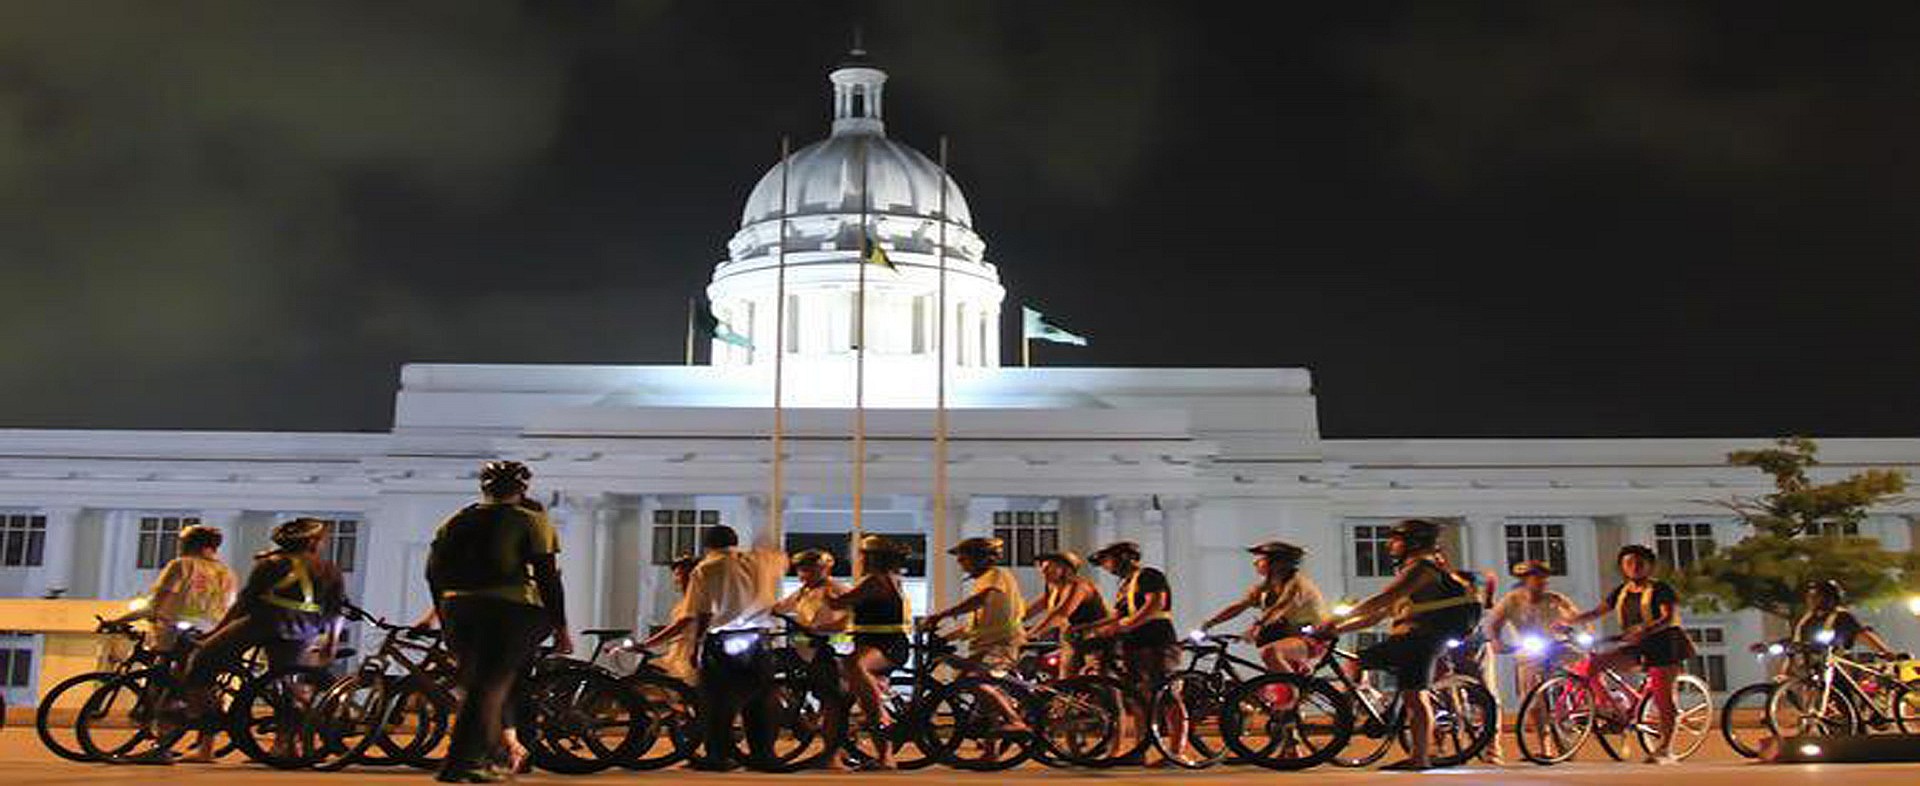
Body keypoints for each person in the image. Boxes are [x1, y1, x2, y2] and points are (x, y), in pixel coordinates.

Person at [426, 460, 572, 783]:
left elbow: (432, 573)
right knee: (491, 687)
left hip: (457, 607)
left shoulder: (454, 521)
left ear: (484, 488)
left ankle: (484, 758)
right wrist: (560, 626)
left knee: (478, 687)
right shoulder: (531, 521)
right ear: (522, 489)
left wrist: (444, 614)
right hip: (509, 610)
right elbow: (547, 578)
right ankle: (462, 763)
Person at [1312, 519, 1481, 771]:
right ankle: (1354, 707)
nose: (1390, 545)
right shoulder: (1411, 571)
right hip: (1406, 639)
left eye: (1396, 540)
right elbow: (1379, 616)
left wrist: (1336, 618)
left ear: (1413, 542)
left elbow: (1383, 599)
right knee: (1359, 660)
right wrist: (1335, 630)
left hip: (1422, 640)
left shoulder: (1422, 570)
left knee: (1415, 696)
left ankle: (1420, 758)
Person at [111, 524, 236, 762]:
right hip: (212, 637)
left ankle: (161, 748)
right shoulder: (227, 572)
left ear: (190, 543)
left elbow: (156, 603)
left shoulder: (182, 565)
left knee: (166, 690)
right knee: (203, 690)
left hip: (178, 637)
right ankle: (205, 750)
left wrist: (119, 620)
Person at [1568, 544, 1697, 765]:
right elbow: (1597, 612)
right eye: (1628, 563)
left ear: (1650, 566)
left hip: (1665, 645)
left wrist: (1644, 629)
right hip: (1636, 645)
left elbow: (1668, 617)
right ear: (1622, 567)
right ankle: (1608, 708)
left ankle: (1666, 748)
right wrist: (1569, 623)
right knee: (1594, 664)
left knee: (1663, 696)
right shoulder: (1621, 591)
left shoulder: (1661, 589)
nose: (1634, 567)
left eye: (1640, 562)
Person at [679, 522, 787, 771]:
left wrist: (696, 644)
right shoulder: (757, 562)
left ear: (707, 545)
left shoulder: (706, 568)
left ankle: (718, 755)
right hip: (756, 638)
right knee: (759, 698)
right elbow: (780, 562)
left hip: (723, 639)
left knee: (717, 700)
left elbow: (702, 611)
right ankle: (763, 753)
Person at [1077, 540, 1184, 763]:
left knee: (1166, 695)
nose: (1107, 566)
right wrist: (1088, 628)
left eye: (1108, 560)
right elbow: (1116, 615)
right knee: (1137, 699)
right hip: (1132, 645)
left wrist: (1125, 625)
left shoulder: (1149, 575)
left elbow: (1155, 604)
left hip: (1157, 641)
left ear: (1124, 557)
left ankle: (1176, 751)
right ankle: (1138, 751)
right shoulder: (1125, 584)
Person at [921, 537, 1030, 732]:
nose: (960, 563)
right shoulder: (983, 580)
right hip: (986, 643)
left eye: (964, 559)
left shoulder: (996, 575)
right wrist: (948, 637)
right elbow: (978, 621)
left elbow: (980, 600)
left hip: (1001, 644)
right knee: (974, 688)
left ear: (980, 558)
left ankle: (1015, 720)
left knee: (974, 681)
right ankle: (991, 750)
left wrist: (942, 615)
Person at [823, 535, 913, 769]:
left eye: (862, 555)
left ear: (872, 558)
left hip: (886, 646)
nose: (859, 559)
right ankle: (882, 756)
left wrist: (824, 585)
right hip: (874, 643)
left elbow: (838, 603)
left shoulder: (875, 581)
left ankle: (881, 715)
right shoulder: (885, 579)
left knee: (855, 665)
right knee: (848, 694)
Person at [1199, 541, 1326, 674]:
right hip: (1285, 637)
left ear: (1277, 563)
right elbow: (1240, 605)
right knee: (1269, 669)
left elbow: (1280, 607)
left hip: (1310, 639)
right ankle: (1294, 690)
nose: (1256, 563)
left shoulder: (1297, 584)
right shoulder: (1266, 586)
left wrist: (1258, 626)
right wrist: (1210, 623)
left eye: (1261, 559)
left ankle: (1296, 690)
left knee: (1270, 653)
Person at [1485, 561, 1580, 700]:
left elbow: (1575, 617)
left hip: (1555, 647)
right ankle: (1535, 714)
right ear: (1525, 580)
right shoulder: (1511, 600)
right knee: (1531, 697)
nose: (1542, 582)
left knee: (1580, 663)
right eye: (1537, 577)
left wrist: (1570, 628)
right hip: (1529, 652)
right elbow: (1493, 623)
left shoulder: (1554, 599)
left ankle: (1583, 701)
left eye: (1544, 578)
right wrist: (1496, 641)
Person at [1022, 550, 1110, 678]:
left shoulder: (1078, 585)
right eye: (1041, 567)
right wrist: (1013, 621)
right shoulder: (1053, 586)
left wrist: (1031, 634)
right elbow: (1037, 607)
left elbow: (1060, 613)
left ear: (1065, 569)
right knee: (1066, 679)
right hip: (1072, 637)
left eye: (1049, 568)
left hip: (1093, 637)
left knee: (1096, 678)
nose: (1043, 571)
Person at [638, 555, 701, 685]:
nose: (678, 579)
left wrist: (647, 643)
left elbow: (678, 627)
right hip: (676, 652)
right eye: (676, 575)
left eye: (683, 575)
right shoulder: (683, 602)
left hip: (687, 655)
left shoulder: (697, 600)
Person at [1793, 579, 1898, 655]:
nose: (1811, 600)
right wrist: (1784, 672)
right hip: (1807, 670)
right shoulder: (1806, 620)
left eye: (1817, 596)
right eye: (1810, 596)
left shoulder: (1841, 616)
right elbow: (1794, 648)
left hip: (1836, 667)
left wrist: (1885, 653)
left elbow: (1862, 635)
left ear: (1831, 598)